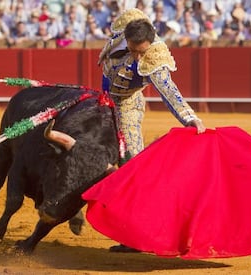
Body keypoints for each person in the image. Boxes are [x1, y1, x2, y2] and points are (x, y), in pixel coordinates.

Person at [98, 8, 206, 253]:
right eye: (134, 50)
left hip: (126, 106)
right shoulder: (127, 26)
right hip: (102, 103)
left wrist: (189, 118)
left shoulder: (155, 57)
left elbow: (169, 92)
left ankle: (135, 235)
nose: (137, 57)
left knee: (133, 167)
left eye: (141, 52)